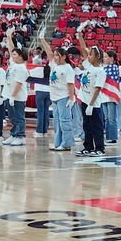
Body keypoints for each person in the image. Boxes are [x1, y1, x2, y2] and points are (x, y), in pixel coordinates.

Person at [40, 37, 76, 152]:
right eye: (54, 55)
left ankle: (67, 143)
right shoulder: (55, 65)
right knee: (56, 121)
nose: (54, 57)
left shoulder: (68, 68)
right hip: (54, 97)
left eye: (57, 55)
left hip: (63, 97)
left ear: (63, 56)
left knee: (64, 121)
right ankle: (58, 142)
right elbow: (49, 52)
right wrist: (42, 39)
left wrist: (71, 98)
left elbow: (71, 85)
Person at [75, 26, 106, 157]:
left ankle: (99, 148)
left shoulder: (100, 71)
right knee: (86, 125)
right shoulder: (88, 65)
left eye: (92, 54)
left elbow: (98, 88)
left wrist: (92, 104)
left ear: (97, 56)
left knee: (96, 127)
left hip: (94, 104)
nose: (89, 56)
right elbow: (83, 49)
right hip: (85, 101)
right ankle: (88, 146)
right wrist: (79, 34)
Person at [3, 28, 29, 147]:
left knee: (19, 117)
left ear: (20, 56)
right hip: (9, 94)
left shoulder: (22, 68)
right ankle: (14, 134)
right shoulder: (14, 64)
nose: (12, 55)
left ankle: (20, 136)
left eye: (14, 54)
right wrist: (9, 37)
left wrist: (13, 96)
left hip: (18, 96)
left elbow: (19, 83)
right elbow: (11, 48)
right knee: (12, 117)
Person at [33, 52, 51, 139]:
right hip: (49, 91)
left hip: (40, 91)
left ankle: (39, 131)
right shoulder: (52, 70)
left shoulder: (37, 69)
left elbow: (28, 74)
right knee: (46, 111)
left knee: (40, 111)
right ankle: (45, 130)